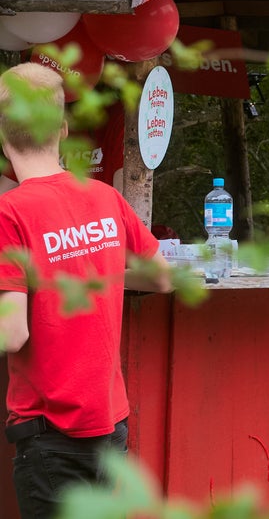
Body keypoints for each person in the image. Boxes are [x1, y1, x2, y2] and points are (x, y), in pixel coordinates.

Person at [0, 63, 173, 519]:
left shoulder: (9, 212)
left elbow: (11, 333)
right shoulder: (102, 196)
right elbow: (161, 277)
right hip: (110, 425)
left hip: (51, 435)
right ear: (61, 127)